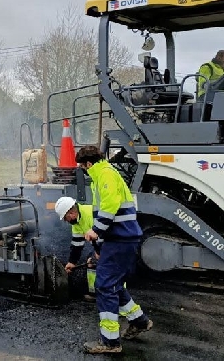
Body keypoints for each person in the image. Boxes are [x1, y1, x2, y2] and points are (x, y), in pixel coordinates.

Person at [75, 145, 153, 354]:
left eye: (83, 167)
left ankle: (110, 342)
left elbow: (110, 204)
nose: (83, 170)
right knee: (114, 284)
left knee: (105, 285)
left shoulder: (105, 174)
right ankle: (140, 322)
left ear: (88, 164)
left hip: (120, 237)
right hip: (120, 238)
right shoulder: (105, 174)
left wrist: (96, 230)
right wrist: (100, 241)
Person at [55, 196, 99, 299]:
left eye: (66, 218)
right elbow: (77, 244)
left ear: (72, 213)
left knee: (106, 267)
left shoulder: (92, 214)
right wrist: (72, 262)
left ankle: (116, 295)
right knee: (92, 261)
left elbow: (103, 236)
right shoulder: (76, 222)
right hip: (103, 245)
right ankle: (95, 293)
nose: (66, 221)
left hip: (113, 244)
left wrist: (98, 253)